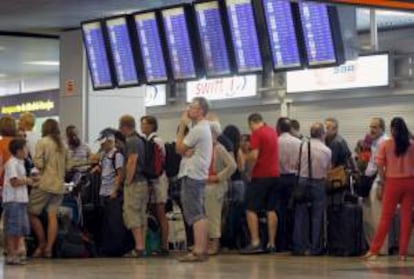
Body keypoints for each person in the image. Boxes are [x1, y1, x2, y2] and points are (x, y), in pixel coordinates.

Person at [363, 117, 414, 261]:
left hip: (392, 182)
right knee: (406, 218)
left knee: (385, 217)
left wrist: (383, 180)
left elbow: (379, 164)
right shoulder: (412, 145)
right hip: (410, 183)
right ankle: (403, 253)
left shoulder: (386, 144)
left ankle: (374, 250)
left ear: (391, 129)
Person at [176, 97, 212, 262]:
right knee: (200, 212)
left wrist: (182, 125)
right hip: (199, 174)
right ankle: (202, 249)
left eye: (192, 107)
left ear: (200, 111)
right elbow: (186, 150)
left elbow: (179, 148)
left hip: (192, 173)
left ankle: (198, 250)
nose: (188, 110)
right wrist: (186, 150)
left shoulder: (198, 130)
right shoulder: (202, 128)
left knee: (195, 213)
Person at [29, 119, 68, 258]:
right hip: (59, 185)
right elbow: (68, 166)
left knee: (31, 213)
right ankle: (49, 250)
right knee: (52, 216)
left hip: (44, 184)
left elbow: (38, 163)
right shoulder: (63, 144)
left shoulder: (43, 142)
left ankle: (41, 244)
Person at [241, 113, 279, 254]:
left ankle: (255, 242)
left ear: (252, 123)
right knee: (271, 209)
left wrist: (245, 158)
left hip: (261, 175)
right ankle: (271, 243)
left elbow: (255, 156)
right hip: (275, 175)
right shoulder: (273, 131)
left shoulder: (257, 133)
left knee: (250, 208)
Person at [292, 123, 331, 256]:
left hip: (302, 182)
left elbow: (295, 164)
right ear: (322, 134)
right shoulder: (326, 150)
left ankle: (299, 246)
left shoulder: (301, 146)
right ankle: (315, 248)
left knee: (300, 215)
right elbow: (327, 169)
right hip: (319, 183)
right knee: (317, 217)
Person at [205, 121, 236, 255]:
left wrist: (218, 177)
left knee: (214, 216)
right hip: (205, 185)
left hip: (215, 186)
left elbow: (232, 165)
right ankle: (206, 243)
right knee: (206, 216)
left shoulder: (219, 148)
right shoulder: (205, 148)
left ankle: (215, 244)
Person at [140, 115, 169, 256]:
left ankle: (164, 245)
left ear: (151, 125)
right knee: (155, 213)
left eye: (144, 124)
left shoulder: (156, 141)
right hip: (155, 179)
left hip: (158, 180)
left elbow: (159, 162)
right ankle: (156, 244)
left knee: (161, 212)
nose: (142, 126)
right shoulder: (149, 141)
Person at [119, 115, 148, 258]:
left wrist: (127, 181)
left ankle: (139, 247)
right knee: (141, 215)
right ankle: (142, 246)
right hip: (143, 182)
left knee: (132, 214)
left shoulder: (131, 141)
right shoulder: (141, 140)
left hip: (135, 183)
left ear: (124, 127)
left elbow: (132, 161)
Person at [2, 139, 33, 265]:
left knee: (19, 229)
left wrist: (29, 180)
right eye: (26, 148)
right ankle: (12, 254)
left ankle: (17, 252)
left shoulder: (21, 163)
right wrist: (28, 180)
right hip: (13, 201)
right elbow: (14, 182)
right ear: (19, 151)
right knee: (12, 229)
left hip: (21, 201)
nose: (27, 151)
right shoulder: (12, 163)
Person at [361, 118, 389, 255]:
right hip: (370, 180)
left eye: (375, 127)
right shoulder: (374, 142)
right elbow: (372, 164)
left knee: (378, 218)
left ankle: (381, 248)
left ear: (382, 128)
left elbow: (385, 165)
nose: (371, 129)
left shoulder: (385, 142)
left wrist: (380, 184)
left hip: (379, 182)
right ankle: (374, 247)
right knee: (370, 218)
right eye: (371, 126)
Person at [276, 117, 301, 251]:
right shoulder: (298, 142)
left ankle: (281, 243)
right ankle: (294, 242)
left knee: (280, 211)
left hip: (279, 179)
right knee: (295, 211)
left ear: (279, 128)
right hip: (294, 179)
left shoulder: (275, 142)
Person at [223, 125, 246, 203]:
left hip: (225, 181)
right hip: (237, 180)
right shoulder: (237, 149)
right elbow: (241, 167)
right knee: (238, 208)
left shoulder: (222, 149)